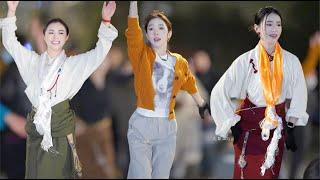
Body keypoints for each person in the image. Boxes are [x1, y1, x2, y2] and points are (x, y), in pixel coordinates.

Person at [0, 1, 118, 178]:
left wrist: (106, 20)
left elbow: (98, 54)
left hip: (62, 134)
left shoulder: (73, 65)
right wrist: (11, 11)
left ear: (66, 37)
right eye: (50, 32)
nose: (55, 37)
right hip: (28, 139)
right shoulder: (30, 63)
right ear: (43, 35)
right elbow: (10, 42)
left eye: (60, 32)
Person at [210, 7, 308, 179]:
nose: (274, 29)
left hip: (277, 129)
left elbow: (300, 96)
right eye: (268, 24)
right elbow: (219, 92)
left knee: (270, 175)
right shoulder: (245, 61)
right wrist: (231, 124)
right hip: (249, 129)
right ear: (257, 28)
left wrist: (291, 128)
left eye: (278, 24)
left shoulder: (291, 61)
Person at [125, 1, 211, 178]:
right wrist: (133, 4)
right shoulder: (142, 57)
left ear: (169, 33)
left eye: (161, 28)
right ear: (147, 34)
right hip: (144, 123)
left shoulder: (179, 62)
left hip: (168, 126)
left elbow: (190, 83)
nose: (156, 32)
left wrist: (202, 104)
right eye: (151, 29)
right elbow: (133, 32)